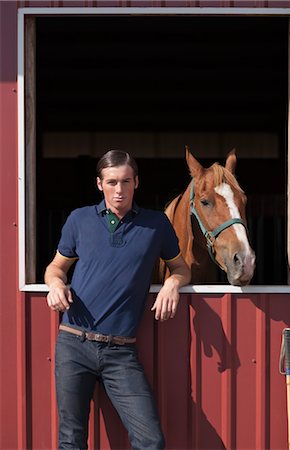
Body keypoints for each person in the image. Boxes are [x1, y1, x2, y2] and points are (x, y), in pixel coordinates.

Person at [45, 150, 191, 450]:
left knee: (151, 440)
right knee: (71, 441)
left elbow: (180, 268)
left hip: (120, 352)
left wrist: (172, 284)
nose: (119, 189)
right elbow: (55, 267)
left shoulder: (156, 225)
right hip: (74, 344)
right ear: (100, 184)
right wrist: (55, 284)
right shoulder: (80, 219)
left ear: (136, 182)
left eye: (126, 181)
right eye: (112, 182)